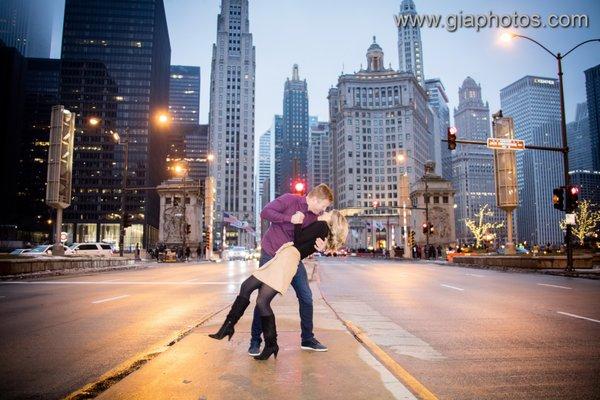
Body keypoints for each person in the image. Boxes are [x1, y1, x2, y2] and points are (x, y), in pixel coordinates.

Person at [209, 210, 349, 361]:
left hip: (288, 259)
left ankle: (270, 344)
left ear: (333, 219)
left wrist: (298, 223)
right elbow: (304, 240)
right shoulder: (322, 229)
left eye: (330, 212)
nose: (326, 211)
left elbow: (299, 239)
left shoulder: (321, 226)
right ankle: (228, 327)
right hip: (284, 257)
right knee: (247, 287)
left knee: (261, 301)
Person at [246, 184, 333, 356]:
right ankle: (255, 340)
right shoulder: (289, 200)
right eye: (323, 206)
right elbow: (265, 213)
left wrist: (322, 246)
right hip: (271, 255)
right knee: (263, 299)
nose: (323, 210)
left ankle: (307, 339)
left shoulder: (315, 218)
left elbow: (306, 241)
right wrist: (290, 219)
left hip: (292, 259)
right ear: (315, 199)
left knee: (306, 297)